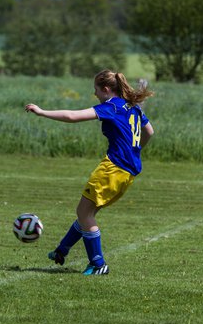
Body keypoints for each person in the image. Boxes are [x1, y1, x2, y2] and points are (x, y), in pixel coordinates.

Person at [25, 69, 154, 275]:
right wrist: (134, 151)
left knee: (84, 213)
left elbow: (72, 116)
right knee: (88, 213)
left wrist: (42, 112)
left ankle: (98, 263)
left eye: (95, 90)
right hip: (128, 172)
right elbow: (149, 131)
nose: (95, 94)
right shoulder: (133, 107)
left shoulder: (111, 106)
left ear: (105, 89)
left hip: (113, 168)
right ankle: (62, 250)